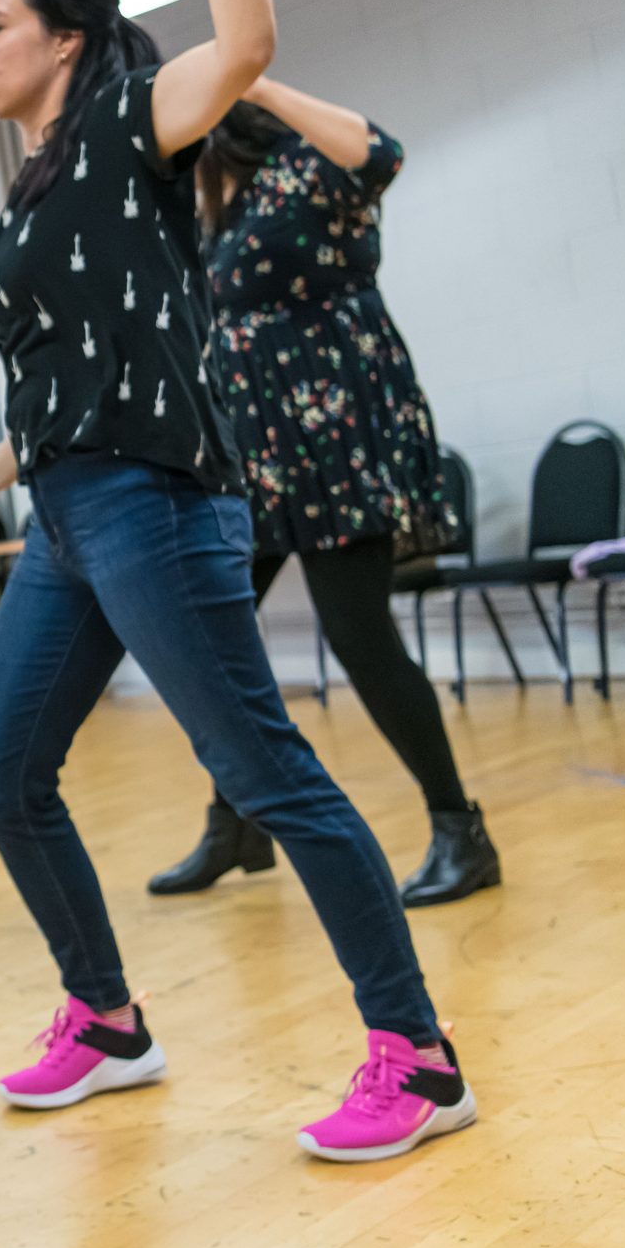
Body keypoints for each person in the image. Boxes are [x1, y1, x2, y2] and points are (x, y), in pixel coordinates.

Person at [0, 0, 475, 1164]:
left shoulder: (129, 122)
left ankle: (416, 1057)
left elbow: (247, 45)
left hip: (157, 504)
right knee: (0, 772)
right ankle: (106, 1019)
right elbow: (71, 358)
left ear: (67, 36)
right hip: (63, 512)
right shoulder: (38, 181)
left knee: (270, 772)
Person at [147, 79, 501, 907]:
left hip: (335, 438)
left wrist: (252, 73)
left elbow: (382, 152)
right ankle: (238, 822)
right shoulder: (205, 211)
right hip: (253, 458)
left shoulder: (300, 171)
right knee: (208, 632)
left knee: (359, 636)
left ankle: (461, 829)